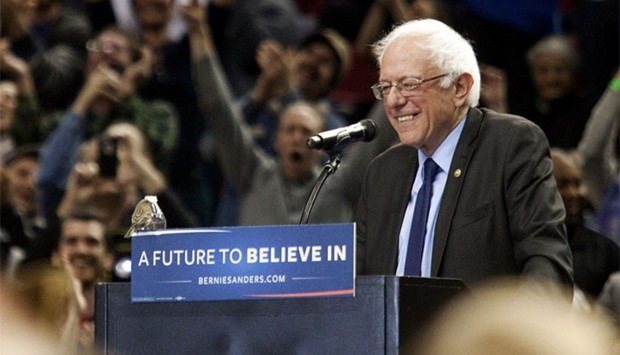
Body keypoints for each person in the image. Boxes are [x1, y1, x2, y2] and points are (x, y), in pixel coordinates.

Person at [354, 19, 573, 294]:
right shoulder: (382, 172)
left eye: (408, 84)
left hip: (479, 335)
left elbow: (546, 262)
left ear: (459, 88)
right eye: (386, 87)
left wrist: (511, 335)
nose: (394, 100)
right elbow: (358, 285)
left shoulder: (510, 145)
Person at [182, 1, 358, 226]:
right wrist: (258, 96)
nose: (312, 63)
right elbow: (209, 148)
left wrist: (288, 92)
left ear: (336, 78)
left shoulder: (336, 126)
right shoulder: (262, 109)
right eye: (309, 52)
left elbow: (323, 167)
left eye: (324, 61)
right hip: (242, 232)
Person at [550, 148, 619, 300]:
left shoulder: (607, 252)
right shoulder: (518, 247)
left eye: (577, 183)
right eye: (562, 184)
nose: (573, 193)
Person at [50, 210, 113, 352]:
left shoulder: (121, 321)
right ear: (55, 257)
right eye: (71, 241)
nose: (82, 250)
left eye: (92, 242)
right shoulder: (34, 317)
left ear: (109, 258)